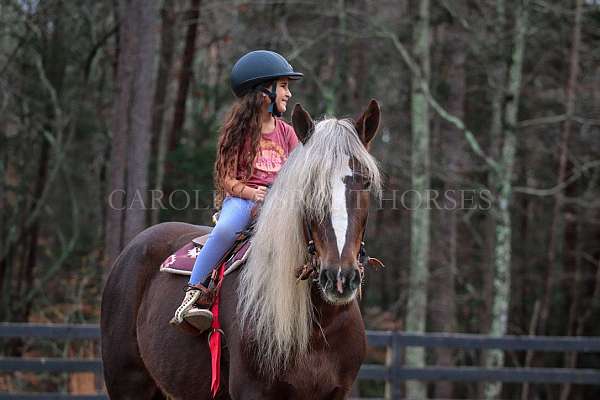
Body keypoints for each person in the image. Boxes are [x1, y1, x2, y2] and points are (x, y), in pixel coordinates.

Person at [170, 50, 303, 333]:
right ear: (263, 91)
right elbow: (226, 179)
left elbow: (298, 173)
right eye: (283, 86)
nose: (288, 94)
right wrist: (251, 194)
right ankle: (194, 293)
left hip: (281, 202)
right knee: (226, 230)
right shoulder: (239, 132)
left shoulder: (288, 133)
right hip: (244, 199)